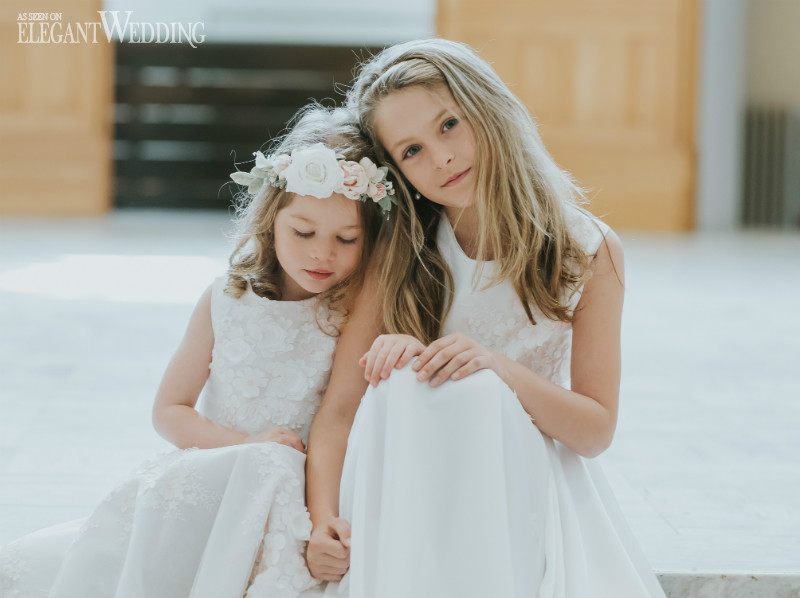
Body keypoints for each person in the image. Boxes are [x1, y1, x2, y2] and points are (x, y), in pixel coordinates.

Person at [304, 39, 667, 597]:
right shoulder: (402, 248)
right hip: (417, 482)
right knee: (399, 377)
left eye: (449, 124)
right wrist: (324, 517)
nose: (442, 157)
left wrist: (498, 367)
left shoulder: (587, 249)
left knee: (477, 388)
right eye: (412, 151)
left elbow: (595, 431)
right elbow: (339, 412)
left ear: (488, 107)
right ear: (397, 172)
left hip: (515, 482)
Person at [0, 106, 390, 598]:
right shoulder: (226, 299)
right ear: (271, 222)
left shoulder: (353, 311)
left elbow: (342, 418)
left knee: (273, 468)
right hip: (220, 467)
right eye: (304, 232)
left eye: (346, 239)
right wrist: (247, 446)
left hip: (300, 490)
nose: (322, 253)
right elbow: (169, 410)